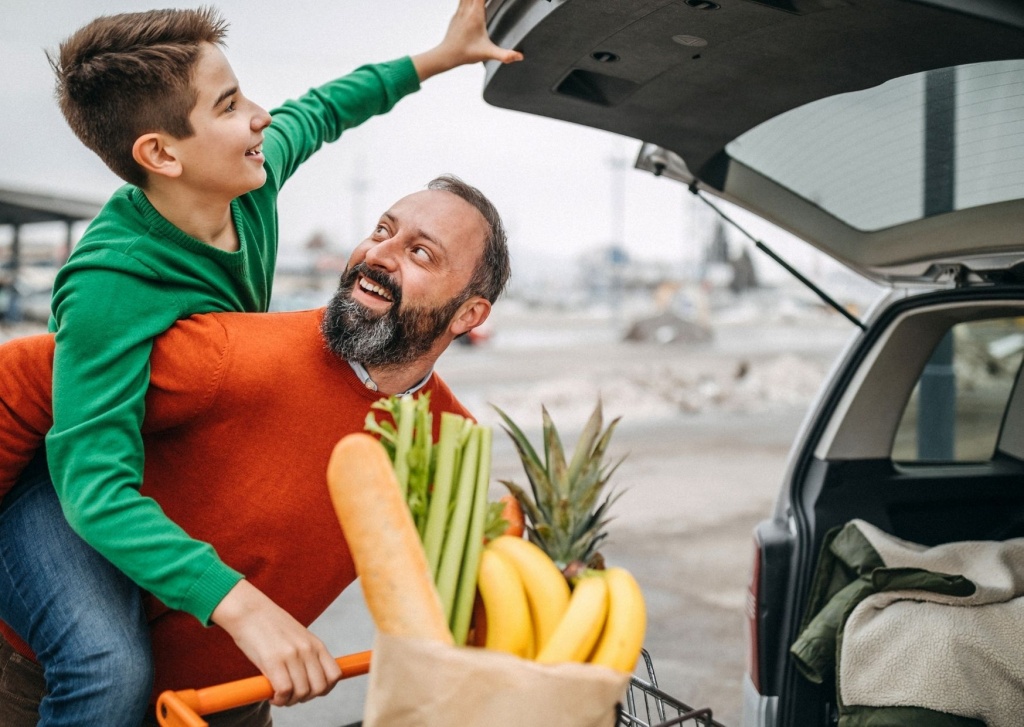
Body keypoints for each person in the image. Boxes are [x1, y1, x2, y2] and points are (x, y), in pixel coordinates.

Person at [8, 3, 519, 725]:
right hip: (59, 491)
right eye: (230, 105)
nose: (260, 116)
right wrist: (243, 606)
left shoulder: (246, 182)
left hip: (126, 476)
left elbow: (324, 108)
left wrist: (437, 58)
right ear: (162, 154)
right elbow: (93, 484)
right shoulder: (107, 287)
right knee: (108, 665)